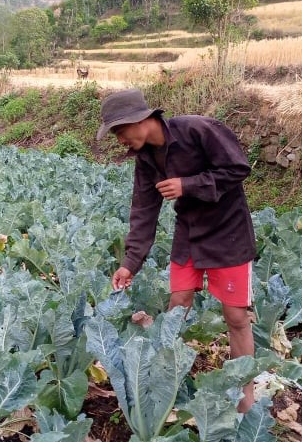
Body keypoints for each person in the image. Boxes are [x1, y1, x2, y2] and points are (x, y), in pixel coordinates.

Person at [97, 88, 257, 413]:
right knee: (176, 307)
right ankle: (167, 384)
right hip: (189, 234)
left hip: (228, 234)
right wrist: (130, 263)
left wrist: (188, 185)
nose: (120, 140)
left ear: (140, 120)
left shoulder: (198, 129)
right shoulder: (145, 159)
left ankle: (245, 401)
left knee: (236, 317)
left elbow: (238, 168)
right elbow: (143, 209)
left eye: (120, 131)